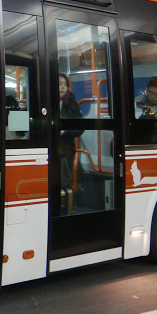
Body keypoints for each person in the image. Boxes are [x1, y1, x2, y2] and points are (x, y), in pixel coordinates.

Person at [59, 73, 83, 212]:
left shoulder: (72, 104)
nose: (62, 87)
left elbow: (79, 128)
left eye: (64, 84)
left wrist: (65, 131)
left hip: (66, 148)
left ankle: (65, 208)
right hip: (48, 146)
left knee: (64, 180)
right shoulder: (45, 101)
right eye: (59, 84)